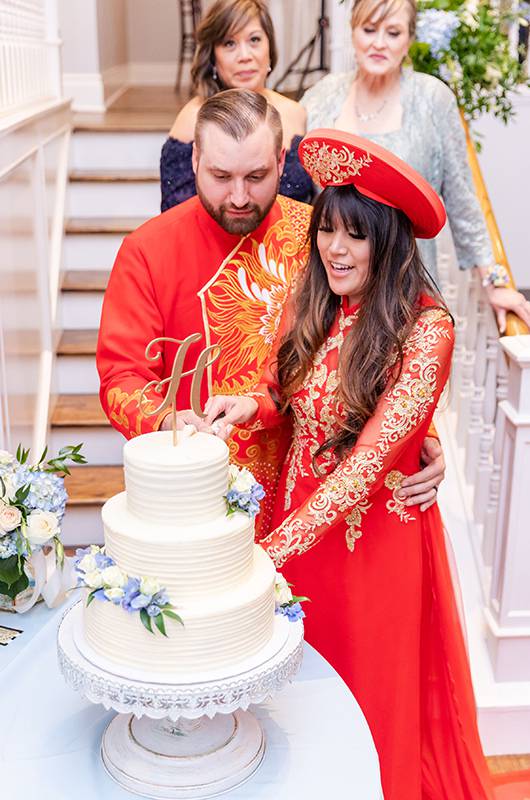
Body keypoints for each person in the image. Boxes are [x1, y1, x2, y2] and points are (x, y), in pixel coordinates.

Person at [205, 130, 494, 800]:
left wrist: (265, 554)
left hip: (373, 554)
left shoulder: (428, 331)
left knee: (365, 707)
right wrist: (247, 405)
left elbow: (367, 465)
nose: (335, 248)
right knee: (298, 706)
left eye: (355, 235)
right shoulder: (316, 297)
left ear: (389, 240)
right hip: (301, 536)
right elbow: (289, 392)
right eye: (328, 229)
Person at [97, 89, 444, 538]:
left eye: (256, 176)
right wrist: (167, 421)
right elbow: (121, 378)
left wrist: (421, 431)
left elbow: (385, 334)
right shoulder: (148, 251)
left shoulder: (322, 236)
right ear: (195, 159)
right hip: (202, 496)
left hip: (320, 486)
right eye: (221, 176)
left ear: (282, 162)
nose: (239, 196)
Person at [300, 0, 530, 332]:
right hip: (332, 286)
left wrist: (495, 282)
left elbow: (463, 199)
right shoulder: (320, 98)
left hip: (405, 290)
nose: (379, 43)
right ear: (353, 31)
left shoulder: (433, 98)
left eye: (393, 33)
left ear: (409, 40)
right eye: (369, 30)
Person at [160, 0, 312, 211]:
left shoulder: (295, 113)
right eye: (229, 44)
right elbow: (177, 216)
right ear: (212, 56)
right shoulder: (193, 119)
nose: (245, 56)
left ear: (270, 47)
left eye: (254, 40)